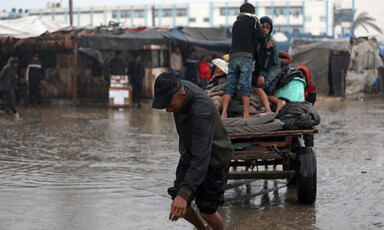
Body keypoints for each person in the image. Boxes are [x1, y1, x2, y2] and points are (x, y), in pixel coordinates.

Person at [152, 72, 233, 230]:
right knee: (178, 200)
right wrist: (182, 195)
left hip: (215, 159)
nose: (168, 110)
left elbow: (202, 156)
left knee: (206, 211)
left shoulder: (200, 111)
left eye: (170, 105)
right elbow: (196, 157)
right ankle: (203, 229)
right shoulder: (176, 86)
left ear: (182, 95)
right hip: (189, 156)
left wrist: (185, 193)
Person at [221, 3, 266, 120]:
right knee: (245, 85)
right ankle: (246, 115)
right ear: (252, 12)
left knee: (230, 85)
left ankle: (223, 114)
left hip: (233, 57)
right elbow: (261, 37)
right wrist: (265, 45)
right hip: (246, 57)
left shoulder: (236, 23)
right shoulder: (253, 21)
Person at [254, 16, 284, 116]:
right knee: (266, 91)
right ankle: (276, 104)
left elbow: (268, 60)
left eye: (267, 28)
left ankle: (271, 108)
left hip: (272, 69)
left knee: (262, 89)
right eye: (262, 27)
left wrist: (262, 75)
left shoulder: (269, 41)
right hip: (270, 69)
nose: (265, 30)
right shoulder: (260, 40)